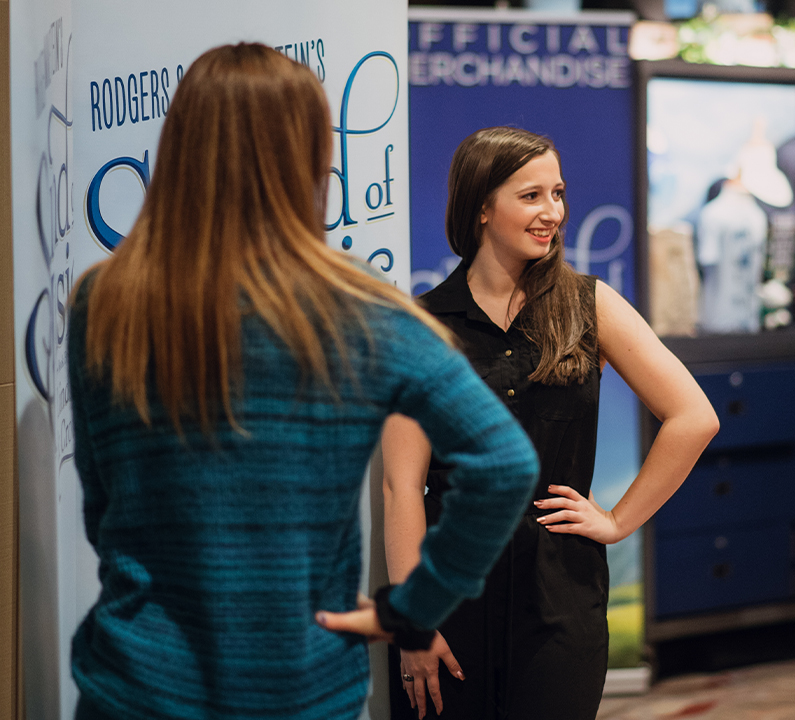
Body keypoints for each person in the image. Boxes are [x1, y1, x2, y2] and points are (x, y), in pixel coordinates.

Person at [67, 44, 539, 720]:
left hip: (135, 683)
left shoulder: (101, 300)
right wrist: (413, 609)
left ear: (179, 149)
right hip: (301, 689)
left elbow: (100, 505)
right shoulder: (358, 306)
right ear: (310, 157)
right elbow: (503, 462)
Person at [382, 127, 720, 720]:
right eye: (531, 196)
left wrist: (617, 521)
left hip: (560, 597)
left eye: (558, 194)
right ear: (482, 206)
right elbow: (402, 485)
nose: (552, 213)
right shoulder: (421, 325)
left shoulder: (590, 304)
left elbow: (693, 417)